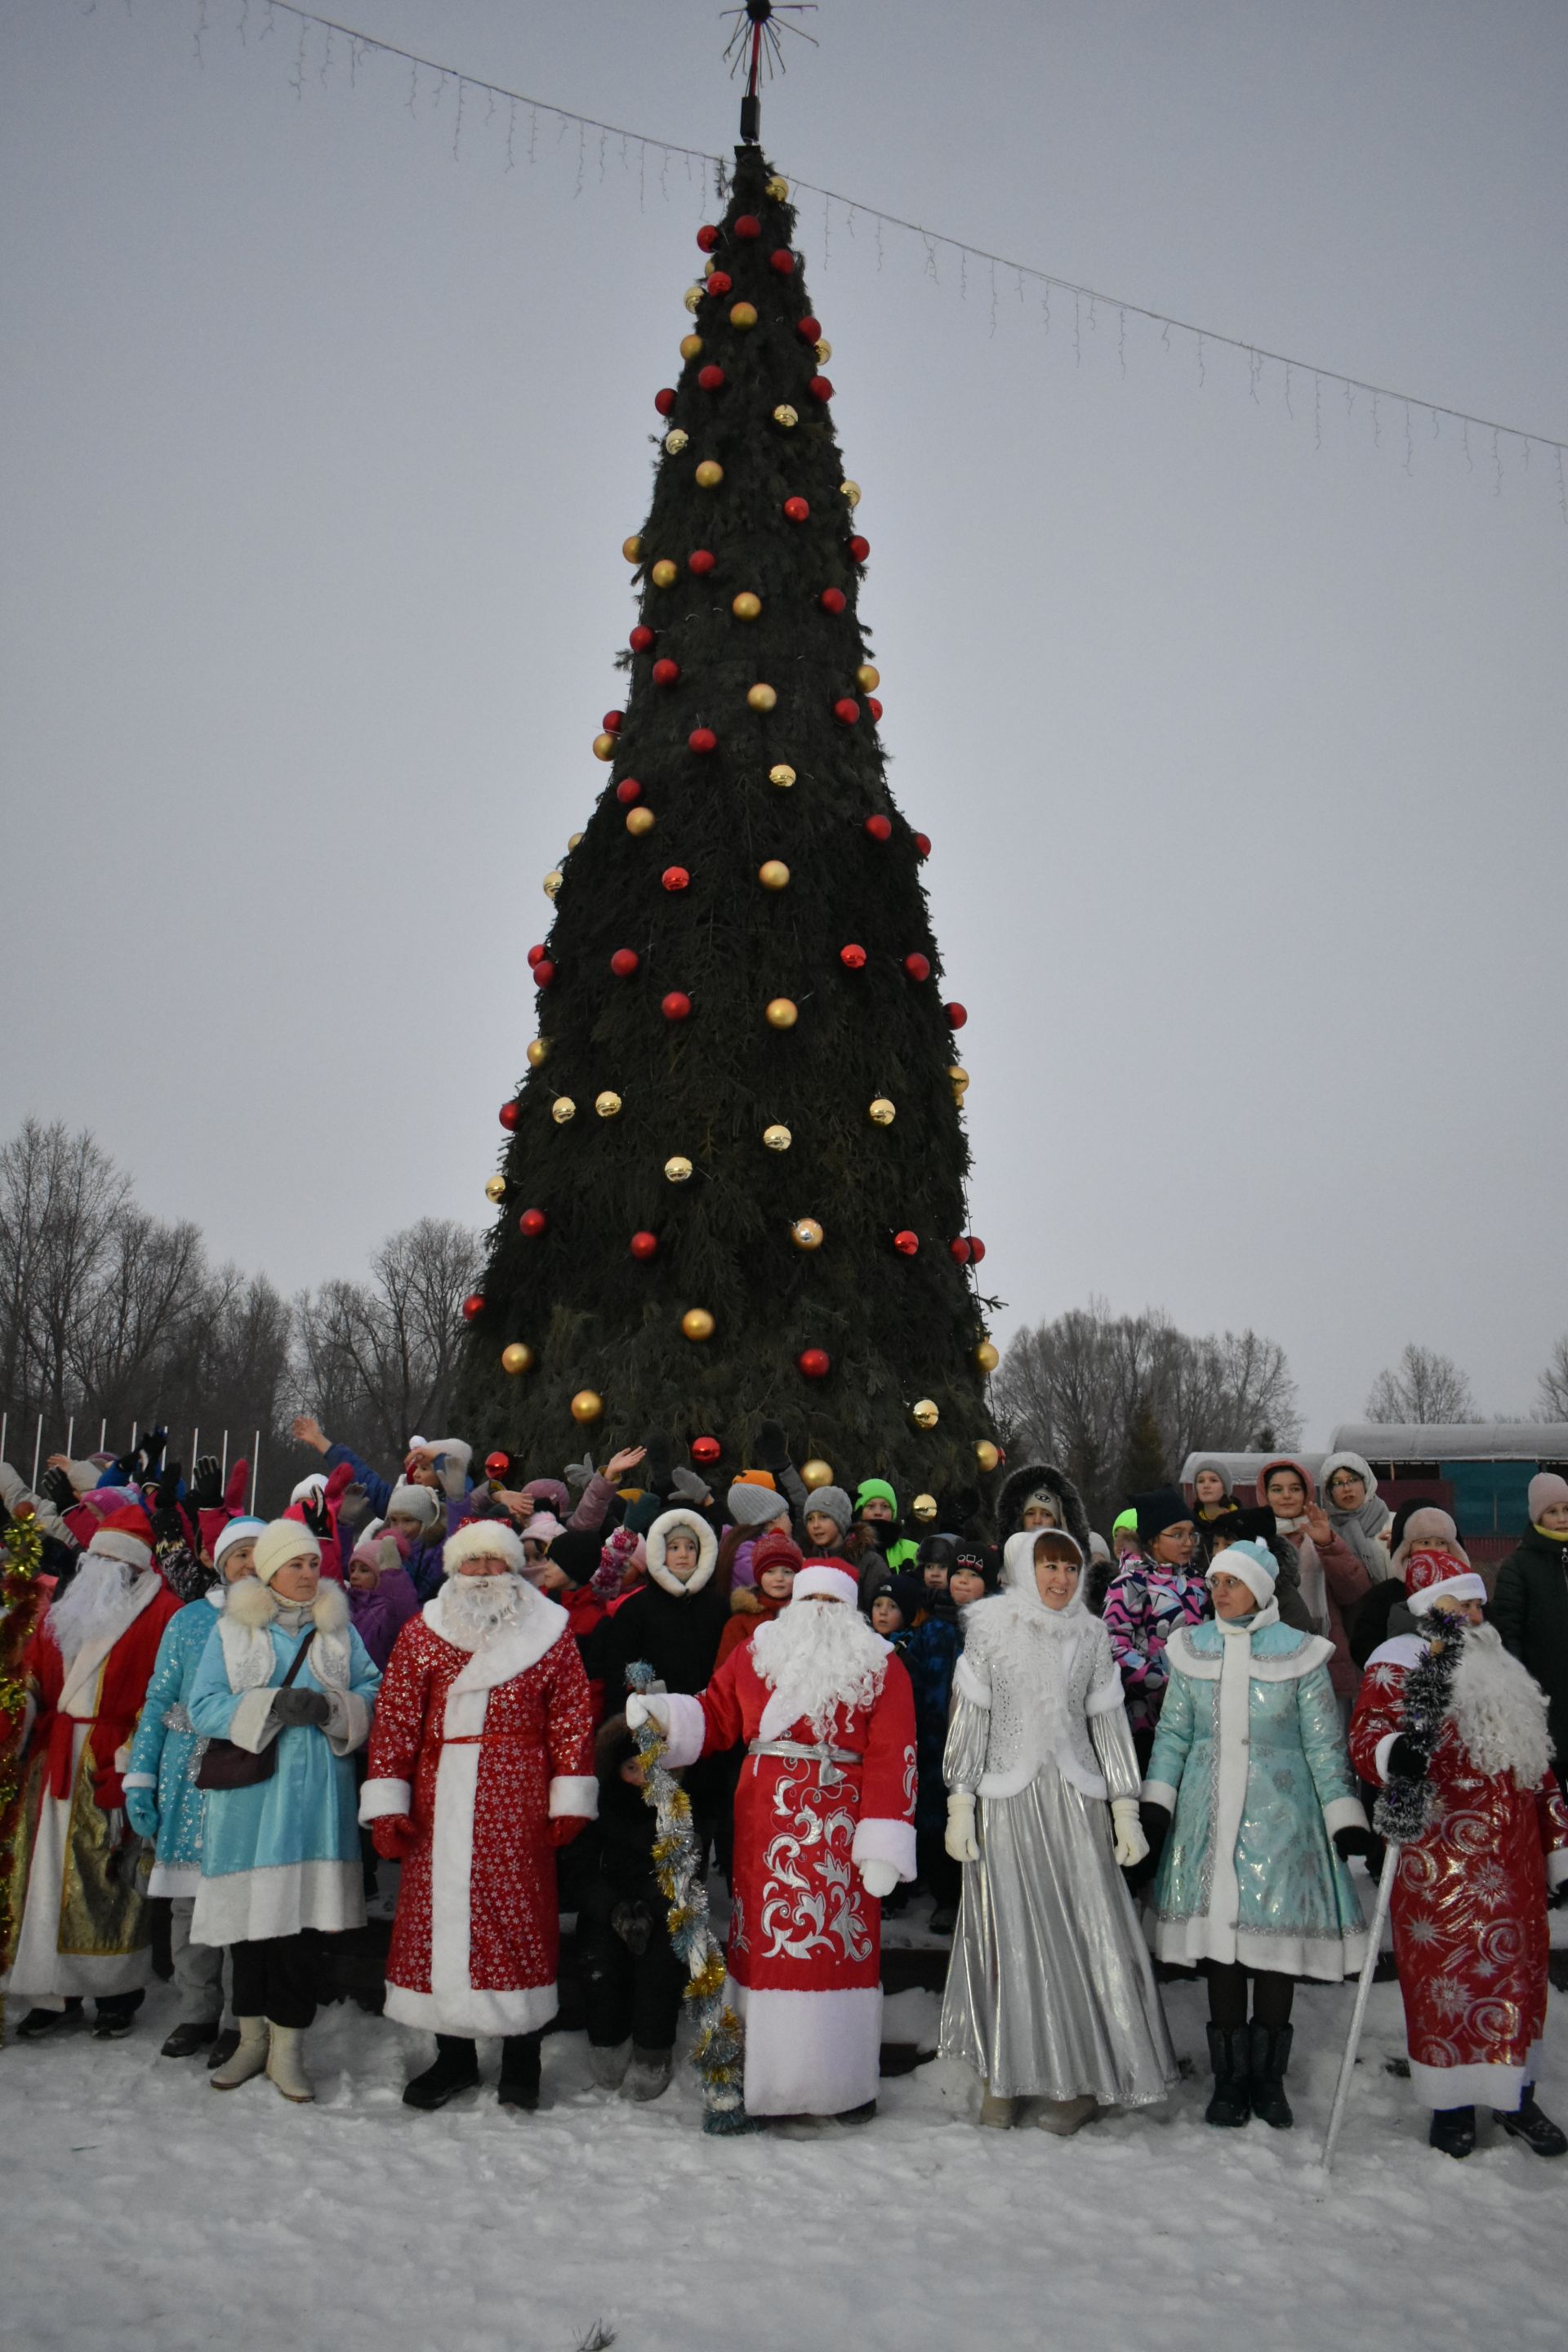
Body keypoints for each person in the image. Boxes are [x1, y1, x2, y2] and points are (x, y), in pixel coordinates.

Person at [629, 1561, 917, 2125]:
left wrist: (884, 1840)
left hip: (842, 1829)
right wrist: (667, 1714)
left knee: (834, 1950)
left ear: (851, 1610)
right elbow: (715, 1714)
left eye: (833, 1604)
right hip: (765, 1824)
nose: (820, 1614)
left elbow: (895, 1754)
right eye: (811, 1601)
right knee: (766, 1949)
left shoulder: (880, 1665)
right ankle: (763, 2080)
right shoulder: (757, 1653)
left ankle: (841, 2086)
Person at [941, 1530, 1176, 2132]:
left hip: (1075, 1803)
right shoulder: (989, 1632)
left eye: (1071, 1568)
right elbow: (970, 1721)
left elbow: (1110, 1724)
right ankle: (1005, 2074)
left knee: (1082, 1934)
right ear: (1024, 1569)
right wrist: (961, 1802)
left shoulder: (1091, 1635)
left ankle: (1081, 2082)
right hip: (1007, 1803)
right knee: (1009, 1936)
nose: (1061, 1580)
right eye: (1049, 1566)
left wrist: (1125, 1804)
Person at [359, 1519, 596, 2113]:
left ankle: (522, 2057)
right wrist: (388, 1803)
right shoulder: (423, 1633)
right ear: (455, 1570)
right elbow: (394, 1720)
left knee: (517, 1920)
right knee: (444, 1922)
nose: (485, 1574)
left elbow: (571, 1717)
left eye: (496, 1563)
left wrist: (569, 1796)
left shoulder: (550, 1634)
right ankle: (454, 2057)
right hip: (439, 1801)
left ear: (514, 1569)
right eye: (473, 1563)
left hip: (517, 1800)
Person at [1139, 1539, 1370, 2129]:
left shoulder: (1301, 1656)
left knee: (1272, 1953)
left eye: (1232, 1582)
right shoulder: (1192, 1650)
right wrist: (1157, 1806)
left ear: (1261, 1590)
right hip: (1207, 1819)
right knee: (1221, 1952)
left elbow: (1323, 1744)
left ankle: (1268, 2081)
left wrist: (1344, 1818)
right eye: (1215, 1581)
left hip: (1281, 1821)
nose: (1219, 1591)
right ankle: (1229, 2079)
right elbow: (1173, 1736)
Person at [1349, 1548, 1568, 2158]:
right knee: (1444, 1980)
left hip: (1515, 1860)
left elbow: (1539, 1765)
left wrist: (1559, 1846)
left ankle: (1516, 2093)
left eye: (1479, 1600)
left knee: (1519, 1980)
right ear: (1431, 1607)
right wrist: (1398, 1752)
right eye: (1464, 1601)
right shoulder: (1397, 1666)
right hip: (1438, 1862)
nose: (1478, 1611)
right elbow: (1366, 1740)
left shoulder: (1506, 1669)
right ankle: (1449, 2105)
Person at [188, 1519, 381, 2100]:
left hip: (316, 1807)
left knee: (299, 1931)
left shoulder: (340, 1634)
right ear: (269, 1570)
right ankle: (251, 2041)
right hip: (250, 1807)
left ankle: (289, 2049)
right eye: (294, 1564)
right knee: (247, 1931)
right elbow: (202, 1707)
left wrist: (332, 1707)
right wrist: (272, 1703)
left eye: (312, 1564)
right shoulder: (231, 1632)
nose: (307, 1573)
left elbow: (374, 1690)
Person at [3, 1510, 182, 2041]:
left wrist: (137, 1760)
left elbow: (166, 1695)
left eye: (111, 1560)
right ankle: (51, 1991)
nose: (100, 1568)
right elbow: (32, 1679)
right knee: (43, 1880)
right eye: (95, 1559)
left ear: (130, 1567)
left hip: (113, 1755)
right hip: (54, 1759)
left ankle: (116, 1993)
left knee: (108, 1878)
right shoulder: (65, 1613)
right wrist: (20, 1713)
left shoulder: (163, 1614)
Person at [122, 1517, 265, 2060]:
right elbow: (159, 1700)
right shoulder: (186, 1622)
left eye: (257, 1553)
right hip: (186, 1775)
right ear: (220, 1562)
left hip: (247, 1771)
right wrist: (141, 1778)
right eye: (239, 1554)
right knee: (188, 1904)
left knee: (241, 1903)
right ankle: (196, 2011)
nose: (248, 1564)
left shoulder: (279, 1621)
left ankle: (239, 2017)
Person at [576, 1713, 688, 2102]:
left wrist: (652, 1906)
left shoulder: (677, 1811)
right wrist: (613, 1909)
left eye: (650, 1767)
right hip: (608, 1906)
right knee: (601, 1960)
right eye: (631, 1767)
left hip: (660, 1907)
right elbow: (583, 1868)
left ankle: (653, 2051)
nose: (641, 1776)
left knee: (662, 1963)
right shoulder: (598, 1810)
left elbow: (686, 1872)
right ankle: (608, 2039)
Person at [1101, 1488, 1211, 1760]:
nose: (1188, 1542)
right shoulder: (1131, 1584)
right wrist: (1161, 1685)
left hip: (1198, 1715)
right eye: (1177, 1534)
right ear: (1152, 1540)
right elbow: (1113, 1643)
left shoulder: (1202, 1584)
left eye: (1191, 1534)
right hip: (1146, 1720)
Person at [1256, 1456, 1370, 1704]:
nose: (1286, 1495)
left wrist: (1327, 1544)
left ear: (1307, 1493)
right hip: (1269, 1656)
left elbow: (1355, 1591)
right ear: (1265, 1495)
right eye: (1277, 1489)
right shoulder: (1254, 1541)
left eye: (1295, 1489)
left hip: (1325, 1652)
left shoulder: (1324, 1532)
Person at [1493, 1472, 1568, 1775]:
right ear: (1538, 1517)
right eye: (1552, 1511)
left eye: (1567, 1509)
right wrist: (1520, 1687)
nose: (1562, 1518)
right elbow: (1508, 1632)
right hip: (1545, 1693)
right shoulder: (1518, 1566)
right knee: (1553, 1781)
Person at [1348, 1504, 1470, 1671]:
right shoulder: (1383, 1595)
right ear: (1407, 1548)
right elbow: (1363, 1646)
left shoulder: (1468, 1593)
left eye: (1441, 1543)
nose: (1433, 1549)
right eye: (1425, 1542)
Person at [715, 1530, 800, 1667]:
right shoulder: (740, 1623)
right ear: (759, 1576)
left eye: (787, 1572)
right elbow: (725, 1673)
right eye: (770, 1571)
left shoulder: (806, 1617)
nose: (779, 1578)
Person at [1320, 1450, 1392, 1584]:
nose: (1347, 1488)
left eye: (1353, 1480)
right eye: (1337, 1483)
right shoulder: (1324, 1534)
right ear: (1329, 1492)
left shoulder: (1395, 1523)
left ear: (1366, 1483)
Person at [1189, 1460, 1241, 1563]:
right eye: (1200, 1481)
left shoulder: (1241, 1522)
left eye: (1213, 1480)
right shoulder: (1189, 1524)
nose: (1206, 1486)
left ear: (1225, 1487)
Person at [800, 1485, 855, 1561]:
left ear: (841, 1520)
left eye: (823, 1517)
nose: (816, 1525)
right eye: (810, 1519)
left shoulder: (867, 1561)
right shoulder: (803, 1560)